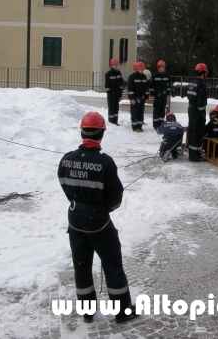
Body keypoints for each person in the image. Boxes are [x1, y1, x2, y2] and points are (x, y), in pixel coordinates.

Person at [57, 111, 137, 324]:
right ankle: (122, 310)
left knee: (81, 265)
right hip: (99, 222)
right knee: (112, 264)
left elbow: (64, 185)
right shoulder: (106, 163)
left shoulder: (67, 159)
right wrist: (102, 209)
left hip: (75, 219)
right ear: (102, 133)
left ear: (82, 131)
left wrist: (79, 202)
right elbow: (115, 198)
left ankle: (87, 311)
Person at [187, 63, 208, 161]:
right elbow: (201, 102)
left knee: (191, 131)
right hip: (197, 111)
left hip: (191, 109)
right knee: (197, 132)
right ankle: (195, 155)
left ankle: (192, 153)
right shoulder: (201, 85)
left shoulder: (192, 83)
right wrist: (203, 113)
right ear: (203, 73)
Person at [126, 61, 148, 132]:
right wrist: (132, 98)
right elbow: (130, 89)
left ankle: (139, 126)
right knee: (135, 112)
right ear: (137, 69)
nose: (142, 70)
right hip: (135, 98)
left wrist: (146, 97)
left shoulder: (144, 77)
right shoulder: (132, 77)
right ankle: (135, 127)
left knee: (141, 112)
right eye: (140, 69)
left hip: (142, 98)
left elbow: (146, 88)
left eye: (142, 69)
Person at [150, 60, 171, 131]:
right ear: (158, 68)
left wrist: (167, 95)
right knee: (156, 110)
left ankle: (161, 124)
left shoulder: (167, 76)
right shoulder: (154, 76)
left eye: (163, 67)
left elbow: (168, 86)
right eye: (161, 67)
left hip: (164, 96)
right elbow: (151, 86)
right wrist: (152, 95)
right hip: (156, 96)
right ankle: (155, 125)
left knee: (162, 110)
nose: (162, 68)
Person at [104, 58, 123, 126]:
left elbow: (121, 84)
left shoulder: (119, 73)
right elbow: (107, 86)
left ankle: (115, 121)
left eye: (116, 64)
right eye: (114, 64)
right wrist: (110, 94)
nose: (115, 66)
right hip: (111, 95)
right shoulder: (108, 74)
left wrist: (120, 94)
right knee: (111, 108)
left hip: (117, 94)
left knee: (116, 108)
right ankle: (111, 121)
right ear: (111, 65)